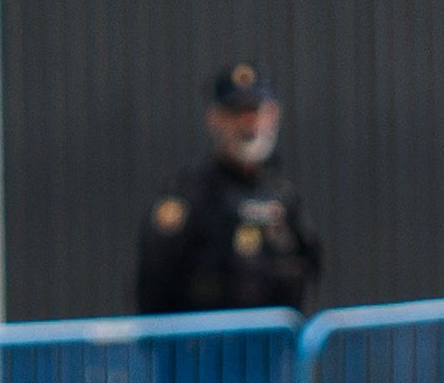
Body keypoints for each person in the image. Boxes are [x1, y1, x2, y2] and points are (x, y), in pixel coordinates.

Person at [131, 59, 320, 323]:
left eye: (255, 112)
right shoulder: (189, 195)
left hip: (270, 357)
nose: (248, 124)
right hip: (201, 357)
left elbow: (310, 269)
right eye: (236, 113)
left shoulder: (283, 197)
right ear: (214, 119)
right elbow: (153, 285)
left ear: (273, 115)